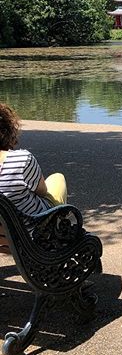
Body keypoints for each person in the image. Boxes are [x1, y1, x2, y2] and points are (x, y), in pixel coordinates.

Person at [0, 103, 67, 252]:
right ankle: (59, 232)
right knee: (57, 178)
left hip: (3, 236)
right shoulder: (22, 159)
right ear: (7, 130)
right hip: (28, 234)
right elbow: (42, 192)